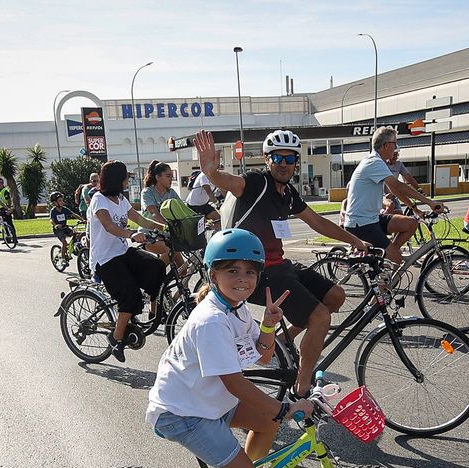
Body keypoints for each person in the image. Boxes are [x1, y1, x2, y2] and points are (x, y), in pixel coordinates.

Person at [145, 228, 314, 468]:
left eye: (250, 271)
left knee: (266, 424)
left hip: (208, 401)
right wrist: (283, 408)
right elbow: (235, 384)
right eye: (232, 270)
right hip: (183, 411)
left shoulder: (237, 310)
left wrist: (268, 326)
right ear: (213, 274)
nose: (242, 279)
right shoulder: (210, 321)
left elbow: (263, 356)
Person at [194, 128, 369, 398]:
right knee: (320, 317)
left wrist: (354, 240)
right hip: (258, 271)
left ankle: (280, 340)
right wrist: (211, 172)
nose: (284, 164)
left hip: (280, 266)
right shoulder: (257, 183)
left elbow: (317, 221)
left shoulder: (288, 193)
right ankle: (302, 388)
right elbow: (232, 183)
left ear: (296, 162)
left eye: (290, 158)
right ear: (267, 159)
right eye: (277, 158)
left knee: (336, 296)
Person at [88, 160, 167, 362]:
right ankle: (116, 338)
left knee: (157, 266)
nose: (127, 181)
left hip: (121, 252)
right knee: (131, 296)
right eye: (126, 177)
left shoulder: (121, 199)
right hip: (105, 259)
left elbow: (140, 219)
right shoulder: (99, 200)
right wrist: (131, 234)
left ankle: (150, 310)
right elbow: (108, 225)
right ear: (117, 179)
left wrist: (166, 227)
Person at [344, 127, 447, 265]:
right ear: (386, 145)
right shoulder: (374, 162)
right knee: (396, 258)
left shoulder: (378, 162)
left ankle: (385, 256)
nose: (396, 148)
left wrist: (415, 209)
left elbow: (394, 189)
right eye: (395, 143)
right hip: (361, 223)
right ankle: (387, 263)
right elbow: (399, 185)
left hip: (372, 218)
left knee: (411, 224)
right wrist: (430, 202)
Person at [139, 160, 185, 265]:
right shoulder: (147, 192)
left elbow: (183, 210)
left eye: (172, 176)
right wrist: (167, 226)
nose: (171, 179)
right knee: (171, 251)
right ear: (158, 177)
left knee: (183, 268)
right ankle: (155, 273)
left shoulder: (171, 192)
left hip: (167, 236)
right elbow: (154, 213)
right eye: (168, 176)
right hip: (149, 236)